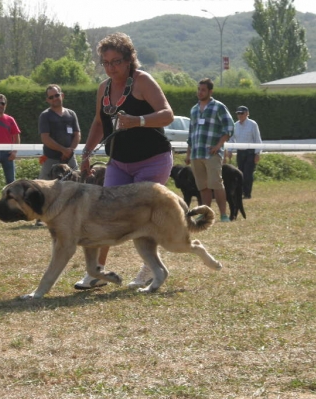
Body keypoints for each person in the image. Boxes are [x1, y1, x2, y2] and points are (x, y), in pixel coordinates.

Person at [75, 32, 174, 290]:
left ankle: (150, 270)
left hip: (153, 160)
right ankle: (97, 273)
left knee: (142, 218)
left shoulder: (143, 81)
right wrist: (86, 153)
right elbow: (99, 122)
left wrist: (138, 121)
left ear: (130, 59)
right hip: (119, 161)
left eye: (116, 61)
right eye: (106, 63)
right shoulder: (103, 88)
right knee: (104, 215)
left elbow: (167, 115)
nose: (111, 68)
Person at [185, 78, 234, 223]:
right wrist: (188, 154)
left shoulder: (218, 107)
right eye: (199, 89)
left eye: (203, 90)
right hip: (196, 154)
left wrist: (219, 146)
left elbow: (229, 127)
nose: (200, 92)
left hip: (212, 153)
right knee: (203, 186)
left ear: (210, 91)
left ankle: (223, 215)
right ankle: (205, 214)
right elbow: (191, 134)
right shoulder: (194, 109)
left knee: (216, 184)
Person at [37, 84, 81, 226]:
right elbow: (45, 138)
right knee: (43, 185)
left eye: (57, 95)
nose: (55, 98)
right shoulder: (45, 116)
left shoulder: (71, 114)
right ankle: (40, 217)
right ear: (48, 100)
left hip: (69, 157)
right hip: (51, 158)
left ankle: (75, 215)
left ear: (62, 95)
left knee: (77, 183)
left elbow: (77, 134)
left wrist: (70, 150)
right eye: (51, 97)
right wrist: (63, 150)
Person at [228, 105, 262, 199]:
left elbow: (257, 139)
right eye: (238, 113)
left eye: (242, 113)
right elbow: (231, 139)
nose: (240, 115)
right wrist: (229, 150)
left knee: (248, 173)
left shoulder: (252, 124)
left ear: (247, 114)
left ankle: (247, 193)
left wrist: (257, 153)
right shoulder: (235, 125)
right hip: (240, 152)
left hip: (250, 152)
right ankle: (240, 192)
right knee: (240, 173)